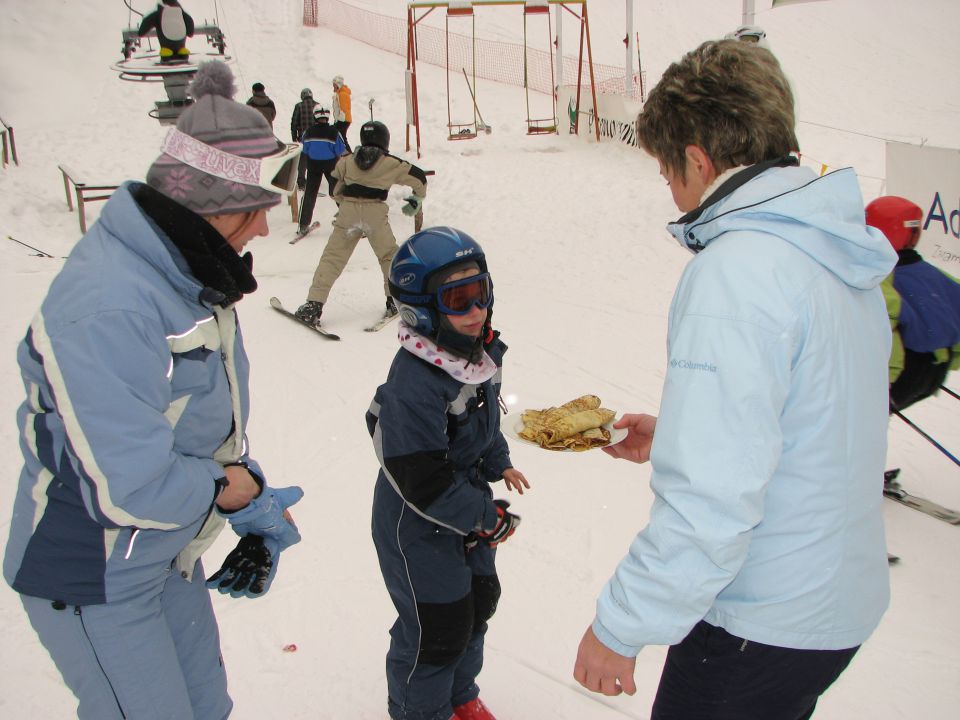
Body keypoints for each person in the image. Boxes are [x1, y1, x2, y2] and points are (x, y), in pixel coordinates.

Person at [572, 39, 896, 719]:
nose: (671, 189)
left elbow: (711, 499)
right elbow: (818, 423)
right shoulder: (833, 253)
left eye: (667, 170)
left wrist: (621, 626)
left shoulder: (737, 272)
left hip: (760, 620)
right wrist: (681, 435)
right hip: (834, 605)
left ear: (697, 158)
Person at [3, 61, 305, 720]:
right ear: (215, 204)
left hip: (160, 558)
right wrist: (228, 490)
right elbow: (129, 485)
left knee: (205, 709)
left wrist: (246, 501)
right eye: (256, 209)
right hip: (94, 572)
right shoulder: (111, 304)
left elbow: (188, 431)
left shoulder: (185, 275)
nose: (263, 229)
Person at [367, 226, 530, 720]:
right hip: (417, 522)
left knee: (477, 605)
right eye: (458, 299)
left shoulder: (477, 352)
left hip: (465, 505)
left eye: (479, 292)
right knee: (437, 628)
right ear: (422, 308)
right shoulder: (415, 382)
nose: (476, 310)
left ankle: (460, 695)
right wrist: (484, 516)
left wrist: (498, 459)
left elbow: (482, 421)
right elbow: (424, 481)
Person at [294, 120, 427, 328]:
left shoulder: (347, 160)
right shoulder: (390, 162)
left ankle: (314, 304)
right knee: (388, 257)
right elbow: (418, 177)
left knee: (333, 257)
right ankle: (393, 301)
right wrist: (417, 199)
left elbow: (335, 186)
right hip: (375, 213)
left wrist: (343, 201)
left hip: (349, 212)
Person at [866, 195, 960, 411]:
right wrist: (946, 358)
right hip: (935, 370)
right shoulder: (934, 276)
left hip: (903, 374)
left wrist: (881, 381)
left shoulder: (878, 279)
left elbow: (887, 329)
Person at [297, 105, 347, 235]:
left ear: (315, 116)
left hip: (313, 166)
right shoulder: (334, 132)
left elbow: (304, 148)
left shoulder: (308, 132)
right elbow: (340, 150)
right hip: (331, 166)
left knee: (309, 194)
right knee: (337, 192)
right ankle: (349, 221)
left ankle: (303, 225)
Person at [291, 87, 318, 189]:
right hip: (316, 137)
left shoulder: (299, 106)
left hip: (304, 138)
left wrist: (294, 138)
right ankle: (313, 181)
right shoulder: (317, 105)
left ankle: (301, 182)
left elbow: (294, 124)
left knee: (303, 160)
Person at [331, 74, 353, 153]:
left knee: (341, 137)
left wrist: (339, 121)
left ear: (338, 85)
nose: (333, 87)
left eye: (334, 85)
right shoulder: (340, 93)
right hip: (343, 119)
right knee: (341, 136)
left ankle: (348, 154)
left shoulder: (342, 94)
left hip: (343, 119)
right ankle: (346, 153)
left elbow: (343, 109)